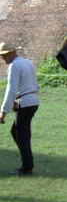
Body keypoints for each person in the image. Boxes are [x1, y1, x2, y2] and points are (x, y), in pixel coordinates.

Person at [0, 42, 39, 176]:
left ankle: (27, 166)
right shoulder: (27, 62)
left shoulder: (14, 65)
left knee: (22, 135)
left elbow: (11, 89)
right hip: (32, 101)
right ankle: (27, 161)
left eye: (4, 55)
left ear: (11, 53)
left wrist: (3, 112)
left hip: (25, 102)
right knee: (17, 132)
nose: (3, 59)